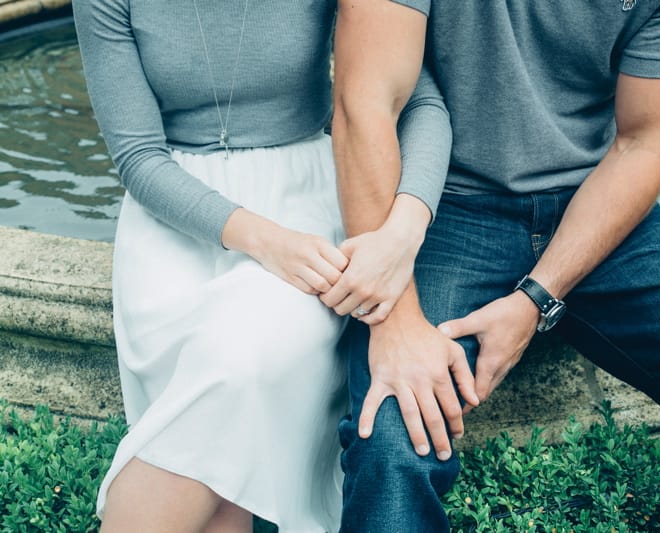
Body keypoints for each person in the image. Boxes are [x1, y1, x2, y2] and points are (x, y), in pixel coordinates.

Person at [331, 1, 660, 532]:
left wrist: (536, 298)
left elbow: (643, 144)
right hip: (443, 207)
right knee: (391, 445)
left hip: (600, 206)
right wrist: (394, 320)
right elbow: (365, 101)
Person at [73, 1, 452, 531]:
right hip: (176, 219)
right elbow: (137, 156)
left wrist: (407, 224)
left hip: (305, 201)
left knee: (237, 357)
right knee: (221, 486)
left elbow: (419, 101)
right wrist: (266, 241)